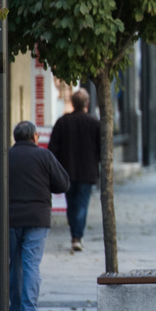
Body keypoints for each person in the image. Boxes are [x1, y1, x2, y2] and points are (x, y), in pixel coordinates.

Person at [0, 121, 71, 311]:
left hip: (10, 217)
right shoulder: (44, 156)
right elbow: (63, 184)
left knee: (14, 264)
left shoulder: (5, 156)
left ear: (16, 137)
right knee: (31, 263)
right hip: (37, 217)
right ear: (35, 137)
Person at [47, 88, 101, 253]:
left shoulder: (63, 122)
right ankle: (78, 236)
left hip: (67, 172)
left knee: (71, 203)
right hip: (87, 171)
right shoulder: (94, 123)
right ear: (86, 103)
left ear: (72, 103)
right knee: (82, 203)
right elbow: (102, 149)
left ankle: (75, 235)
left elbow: (52, 148)